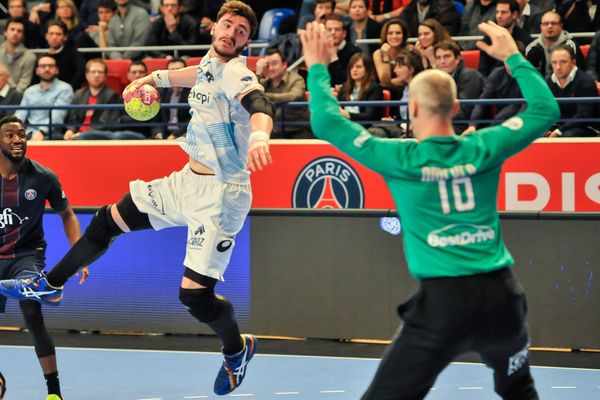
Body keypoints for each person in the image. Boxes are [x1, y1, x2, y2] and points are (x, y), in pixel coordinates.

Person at [0, 1, 274, 396]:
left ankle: (237, 349)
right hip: (186, 182)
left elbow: (259, 104)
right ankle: (51, 284)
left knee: (194, 297)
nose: (232, 33)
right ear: (214, 29)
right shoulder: (209, 65)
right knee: (108, 220)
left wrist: (262, 135)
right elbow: (189, 74)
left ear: (247, 41)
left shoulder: (236, 72)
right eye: (228, 25)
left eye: (243, 31)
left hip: (222, 197)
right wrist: (151, 80)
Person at [300, 19, 558, 400]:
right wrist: (514, 57)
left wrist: (319, 66)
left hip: (443, 307)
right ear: (455, 107)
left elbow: (325, 121)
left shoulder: (399, 157)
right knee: (519, 388)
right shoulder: (485, 147)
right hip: (502, 299)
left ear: (413, 105)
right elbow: (545, 109)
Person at [0, 115, 85, 400]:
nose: (17, 140)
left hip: (27, 254)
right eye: (10, 135)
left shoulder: (44, 177)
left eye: (22, 134)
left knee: (32, 313)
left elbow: (68, 214)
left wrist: (80, 257)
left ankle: (54, 393)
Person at [15, 54, 74, 140]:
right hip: (29, 133)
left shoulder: (65, 88)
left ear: (57, 70)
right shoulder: (30, 91)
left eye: (50, 66)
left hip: (52, 134)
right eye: (43, 66)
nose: (47, 69)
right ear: (37, 71)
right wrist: (11, 129)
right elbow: (20, 114)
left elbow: (57, 116)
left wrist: (41, 131)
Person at [545, 45, 600, 137]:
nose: (558, 67)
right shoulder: (548, 81)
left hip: (586, 126)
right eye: (554, 62)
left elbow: (583, 116)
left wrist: (559, 131)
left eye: (563, 62)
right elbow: (544, 110)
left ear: (573, 62)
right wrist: (546, 128)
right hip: (558, 126)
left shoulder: (585, 81)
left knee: (566, 136)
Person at [256, 48, 312, 139]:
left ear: (284, 64)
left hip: (298, 129)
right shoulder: (265, 82)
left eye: (274, 64)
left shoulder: (296, 79)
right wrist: (258, 73)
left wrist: (265, 96)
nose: (270, 68)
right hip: (273, 130)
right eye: (267, 65)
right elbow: (254, 93)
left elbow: (293, 96)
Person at [434, 40, 486, 133]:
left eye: (446, 56)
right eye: (438, 58)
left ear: (457, 59)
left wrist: (439, 120)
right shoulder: (437, 79)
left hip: (466, 126)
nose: (442, 61)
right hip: (448, 123)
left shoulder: (470, 76)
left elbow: (465, 110)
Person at [63, 58, 121, 140]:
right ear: (86, 75)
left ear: (105, 76)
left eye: (100, 72)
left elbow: (105, 123)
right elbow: (72, 119)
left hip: (98, 135)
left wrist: (83, 134)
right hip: (77, 134)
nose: (96, 75)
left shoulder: (112, 95)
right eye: (93, 72)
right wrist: (70, 130)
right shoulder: (78, 94)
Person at [478, 0, 532, 77]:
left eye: (503, 12)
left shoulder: (525, 38)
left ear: (514, 14)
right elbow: (482, 71)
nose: (499, 16)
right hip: (493, 83)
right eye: (497, 12)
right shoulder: (488, 39)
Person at [525, 10, 583, 77]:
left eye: (553, 23)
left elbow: (579, 71)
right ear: (541, 27)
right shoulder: (532, 48)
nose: (549, 26)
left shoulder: (571, 46)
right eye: (546, 24)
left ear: (561, 26)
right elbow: (529, 75)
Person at [337, 52, 384, 127]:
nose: (354, 70)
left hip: (364, 127)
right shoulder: (345, 87)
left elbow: (370, 116)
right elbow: (337, 107)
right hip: (343, 125)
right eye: (351, 67)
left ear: (367, 69)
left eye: (358, 67)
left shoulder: (375, 88)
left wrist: (348, 114)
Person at [151, 57, 191, 140]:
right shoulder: (160, 92)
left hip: (186, 134)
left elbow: (192, 120)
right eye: (172, 71)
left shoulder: (193, 92)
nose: (175, 74)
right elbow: (155, 119)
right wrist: (159, 134)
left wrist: (175, 135)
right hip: (165, 135)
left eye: (179, 70)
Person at [44, 19, 86, 90]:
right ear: (46, 36)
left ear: (65, 37)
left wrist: (69, 89)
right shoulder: (43, 58)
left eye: (58, 34)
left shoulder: (73, 54)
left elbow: (82, 71)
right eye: (51, 34)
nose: (54, 37)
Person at [0, 16, 37, 93]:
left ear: (23, 36)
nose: (15, 33)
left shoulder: (30, 57)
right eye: (12, 29)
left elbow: (23, 85)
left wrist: (10, 97)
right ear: (5, 32)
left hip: (16, 99)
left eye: (19, 31)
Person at [325, 14, 362, 87]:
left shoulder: (355, 52)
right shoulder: (319, 51)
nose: (333, 33)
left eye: (337, 29)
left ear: (344, 33)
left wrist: (333, 56)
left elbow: (347, 80)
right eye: (329, 29)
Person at [373, 18, 410, 87]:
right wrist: (385, 55)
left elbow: (409, 78)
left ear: (404, 35)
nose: (394, 36)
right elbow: (384, 81)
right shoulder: (378, 54)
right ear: (385, 36)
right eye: (390, 33)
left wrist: (390, 82)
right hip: (385, 92)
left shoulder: (410, 51)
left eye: (398, 33)